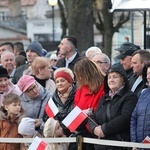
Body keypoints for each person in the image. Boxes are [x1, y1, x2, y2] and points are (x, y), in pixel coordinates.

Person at [88, 64, 138, 150]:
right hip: (101, 146)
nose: (111, 80)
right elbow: (93, 116)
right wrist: (94, 129)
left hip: (119, 145)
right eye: (109, 77)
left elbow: (125, 118)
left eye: (115, 77)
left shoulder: (130, 97)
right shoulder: (104, 98)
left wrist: (104, 129)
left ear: (123, 80)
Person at [43, 67, 76, 136]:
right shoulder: (53, 99)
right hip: (57, 136)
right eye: (57, 82)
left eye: (62, 81)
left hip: (75, 135)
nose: (59, 84)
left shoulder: (77, 95)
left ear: (70, 82)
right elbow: (46, 118)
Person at [130, 61, 150, 150]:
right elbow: (134, 117)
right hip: (140, 146)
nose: (148, 77)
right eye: (147, 74)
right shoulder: (143, 93)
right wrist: (134, 143)